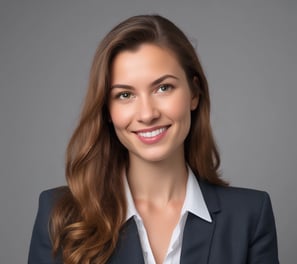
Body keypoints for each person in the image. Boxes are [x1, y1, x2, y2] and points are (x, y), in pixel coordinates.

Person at [28, 14, 279, 264]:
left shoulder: (250, 216)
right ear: (107, 110)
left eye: (163, 88)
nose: (147, 114)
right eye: (125, 95)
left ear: (194, 93)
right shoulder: (60, 216)